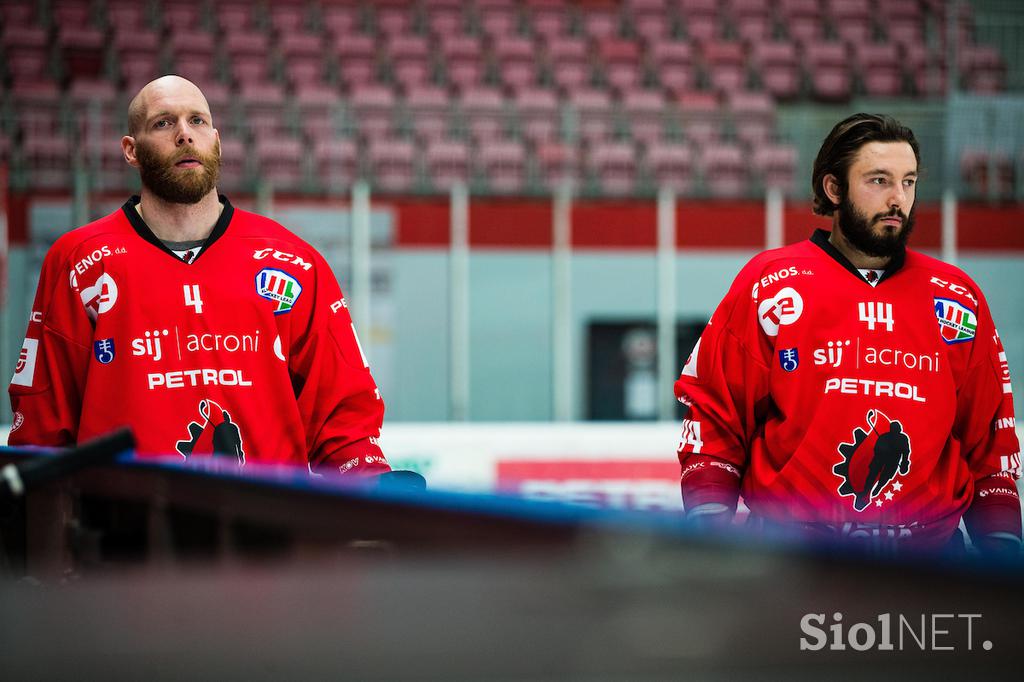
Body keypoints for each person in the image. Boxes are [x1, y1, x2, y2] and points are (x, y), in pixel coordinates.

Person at [8, 75, 390, 478]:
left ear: (217, 142)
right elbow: (42, 429)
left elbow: (346, 423)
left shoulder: (293, 261)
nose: (185, 135)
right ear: (130, 151)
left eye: (198, 121)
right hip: (123, 529)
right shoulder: (80, 262)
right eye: (163, 123)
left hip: (266, 526)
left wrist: (371, 507)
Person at [673, 113, 1020, 555]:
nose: (898, 199)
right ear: (834, 189)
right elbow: (715, 422)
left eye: (908, 182)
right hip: (790, 563)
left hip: (930, 568)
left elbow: (989, 450)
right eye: (879, 181)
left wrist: (1004, 552)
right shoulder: (772, 283)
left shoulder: (956, 298)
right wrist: (709, 539)